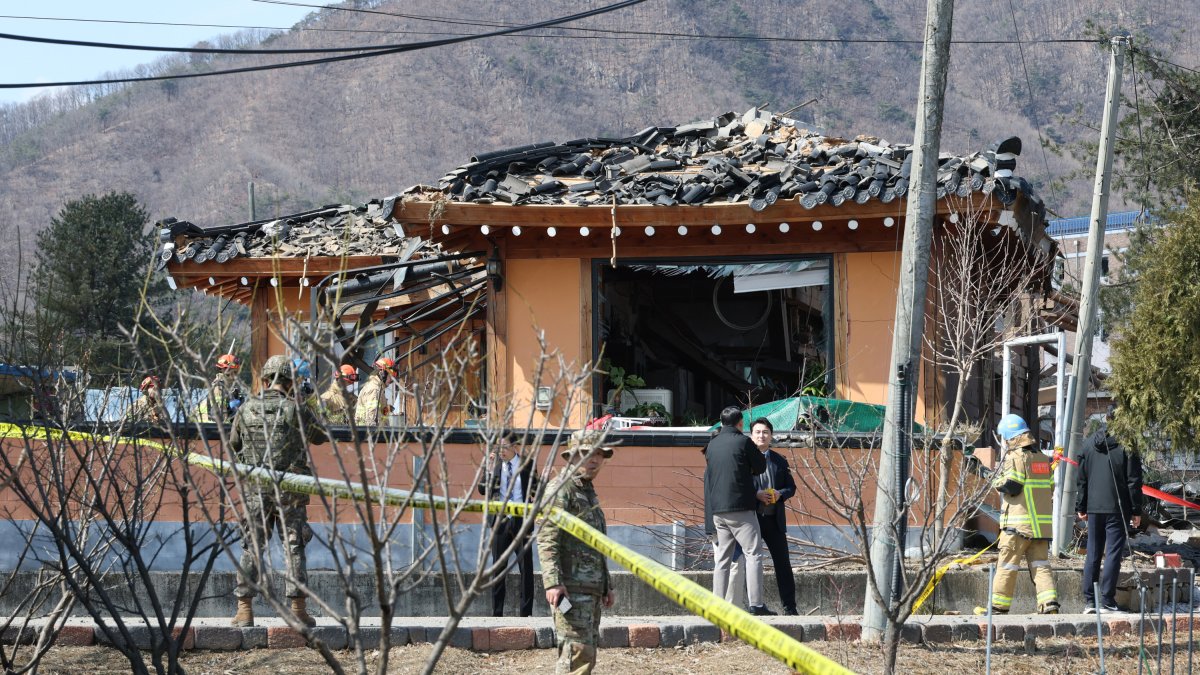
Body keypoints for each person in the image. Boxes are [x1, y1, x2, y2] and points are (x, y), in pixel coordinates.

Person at [229, 354, 327, 628]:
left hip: (256, 489)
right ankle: (297, 610)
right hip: (290, 490)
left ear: (265, 380)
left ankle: (244, 610)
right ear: (290, 381)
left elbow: (234, 443)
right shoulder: (296, 409)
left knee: (252, 547)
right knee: (293, 547)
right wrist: (305, 402)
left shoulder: (246, 408)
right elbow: (321, 436)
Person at [538, 429, 615, 675]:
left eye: (599, 454)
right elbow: (547, 537)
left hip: (590, 589)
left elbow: (596, 544)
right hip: (569, 589)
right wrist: (553, 583)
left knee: (586, 653)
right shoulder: (562, 489)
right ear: (571, 456)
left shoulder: (586, 491)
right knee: (576, 654)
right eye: (586, 453)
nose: (593, 459)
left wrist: (606, 585)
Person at [974, 414, 1059, 616]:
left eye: (1005, 438)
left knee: (1007, 565)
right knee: (1040, 566)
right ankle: (1050, 606)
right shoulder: (1043, 460)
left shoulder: (1016, 457)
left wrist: (986, 475)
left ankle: (997, 608)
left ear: (1011, 437)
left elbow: (1011, 486)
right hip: (1040, 528)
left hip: (1017, 527)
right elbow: (1049, 488)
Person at [704, 406, 773, 616]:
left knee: (723, 558)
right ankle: (756, 604)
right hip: (741, 508)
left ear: (721, 422)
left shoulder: (712, 445)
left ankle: (717, 604)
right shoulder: (743, 442)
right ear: (740, 423)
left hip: (718, 511)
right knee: (753, 554)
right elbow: (760, 466)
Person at [1076, 408, 1143, 613]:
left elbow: (1082, 479)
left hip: (1094, 508)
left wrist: (1082, 505)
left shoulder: (1088, 445)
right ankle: (1107, 600)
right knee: (1113, 552)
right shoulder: (1127, 446)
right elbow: (1134, 481)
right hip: (1117, 507)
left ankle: (1089, 601)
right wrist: (1136, 509)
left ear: (1107, 419)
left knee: (1093, 552)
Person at [478, 436, 539, 617]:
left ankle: (526, 614)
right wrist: (488, 470)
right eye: (497, 448)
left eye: (504, 447)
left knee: (526, 569)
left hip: (522, 521)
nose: (500, 451)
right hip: (500, 520)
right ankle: (497, 613)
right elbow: (483, 490)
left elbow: (535, 492)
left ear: (514, 446)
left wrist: (543, 481)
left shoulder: (528, 464)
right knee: (498, 568)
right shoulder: (494, 466)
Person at [749, 417, 798, 615]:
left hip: (774, 519)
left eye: (765, 432)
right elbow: (739, 486)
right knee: (749, 562)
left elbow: (791, 487)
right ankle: (752, 605)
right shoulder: (744, 458)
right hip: (750, 518)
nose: (762, 435)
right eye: (758, 432)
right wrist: (755, 495)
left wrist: (780, 494)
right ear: (751, 436)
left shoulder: (779, 459)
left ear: (771, 436)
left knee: (783, 563)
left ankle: (790, 607)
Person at [198, 353, 246, 422]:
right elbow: (222, 418)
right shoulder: (218, 387)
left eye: (236, 372)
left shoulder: (231, 387)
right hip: (207, 426)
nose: (236, 375)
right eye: (234, 371)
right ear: (225, 370)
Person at [355, 357, 396, 426]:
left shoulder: (378, 388)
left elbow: (378, 413)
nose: (391, 380)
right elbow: (371, 420)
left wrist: (386, 409)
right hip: (367, 434)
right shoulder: (374, 389)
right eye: (390, 376)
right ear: (383, 374)